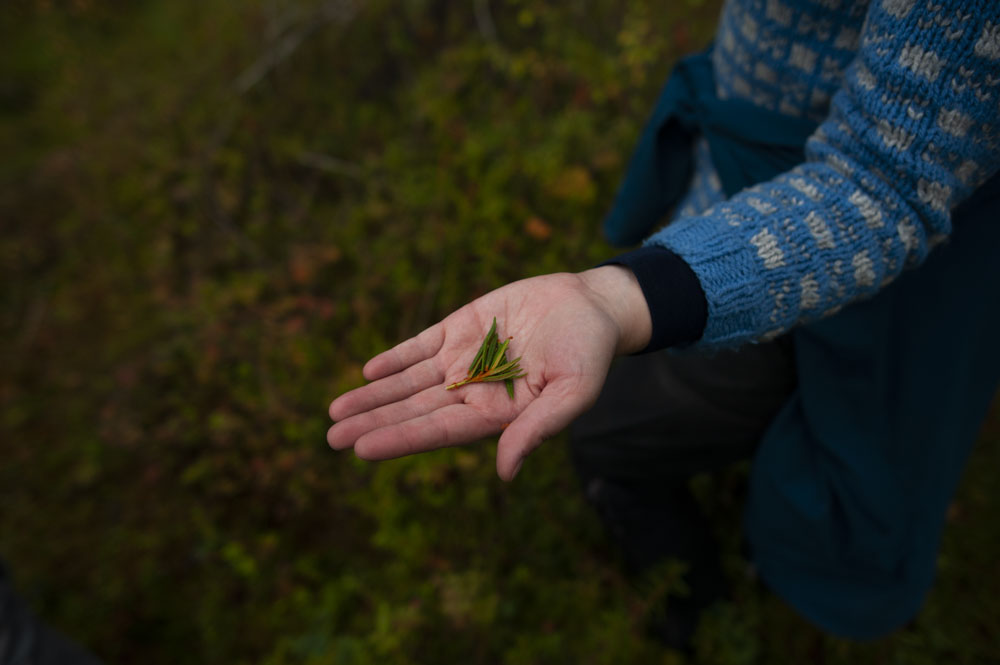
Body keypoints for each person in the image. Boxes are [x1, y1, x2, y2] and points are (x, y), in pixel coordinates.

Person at [328, 0, 1000, 647]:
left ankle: (696, 612)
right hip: (730, 184)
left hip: (816, 261)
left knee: (605, 439)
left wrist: (613, 297)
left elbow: (883, 183)